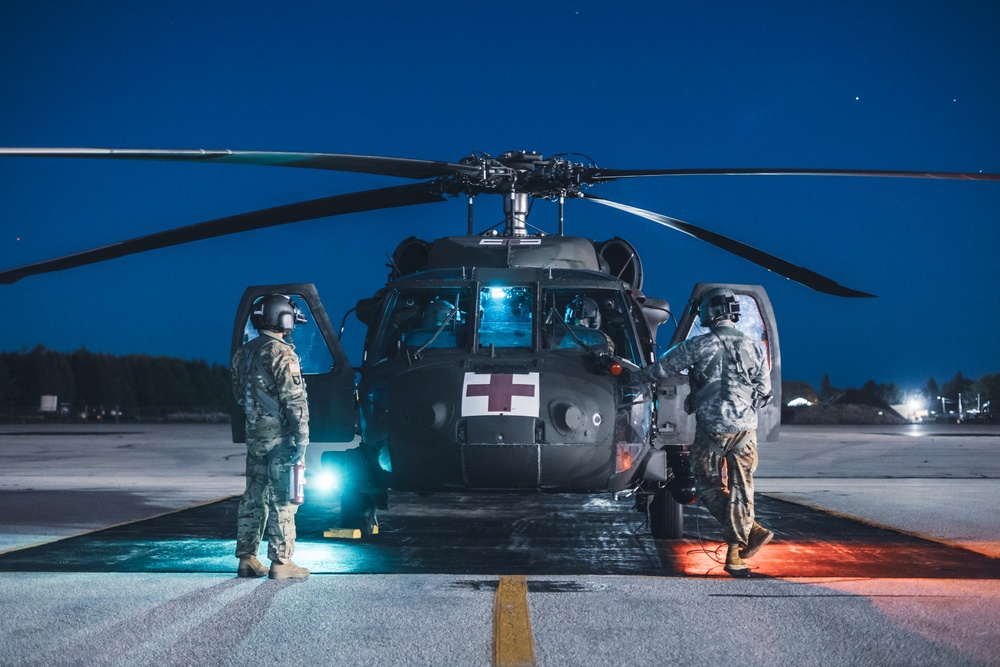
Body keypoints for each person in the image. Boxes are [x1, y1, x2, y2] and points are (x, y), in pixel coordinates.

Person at [632, 288, 773, 576]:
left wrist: (627, 377)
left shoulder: (699, 345)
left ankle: (736, 552)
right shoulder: (754, 348)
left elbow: (660, 369)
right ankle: (751, 533)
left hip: (712, 432)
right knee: (743, 491)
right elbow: (765, 392)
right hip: (746, 432)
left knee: (708, 487)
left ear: (712, 312)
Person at [231, 294, 311, 580]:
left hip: (256, 438)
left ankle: (247, 558)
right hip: (281, 440)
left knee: (254, 497)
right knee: (284, 498)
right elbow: (294, 401)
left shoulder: (243, 352)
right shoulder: (282, 352)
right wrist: (302, 439)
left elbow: (240, 396)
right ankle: (281, 561)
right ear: (282, 317)